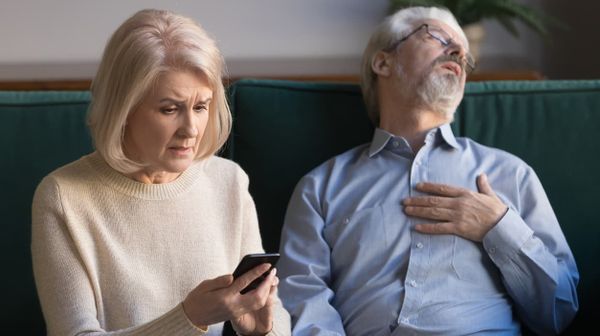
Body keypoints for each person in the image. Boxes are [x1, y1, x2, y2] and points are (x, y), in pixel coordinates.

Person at [277, 6, 578, 336]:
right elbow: (302, 301)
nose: (458, 52)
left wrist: (499, 227)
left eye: (464, 54)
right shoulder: (320, 188)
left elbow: (559, 311)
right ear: (383, 62)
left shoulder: (510, 174)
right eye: (437, 37)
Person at [31, 9, 290, 336]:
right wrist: (188, 318)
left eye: (200, 107)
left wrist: (261, 333)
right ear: (123, 109)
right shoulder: (63, 197)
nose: (192, 130)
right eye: (170, 109)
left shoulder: (229, 181)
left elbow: (272, 310)